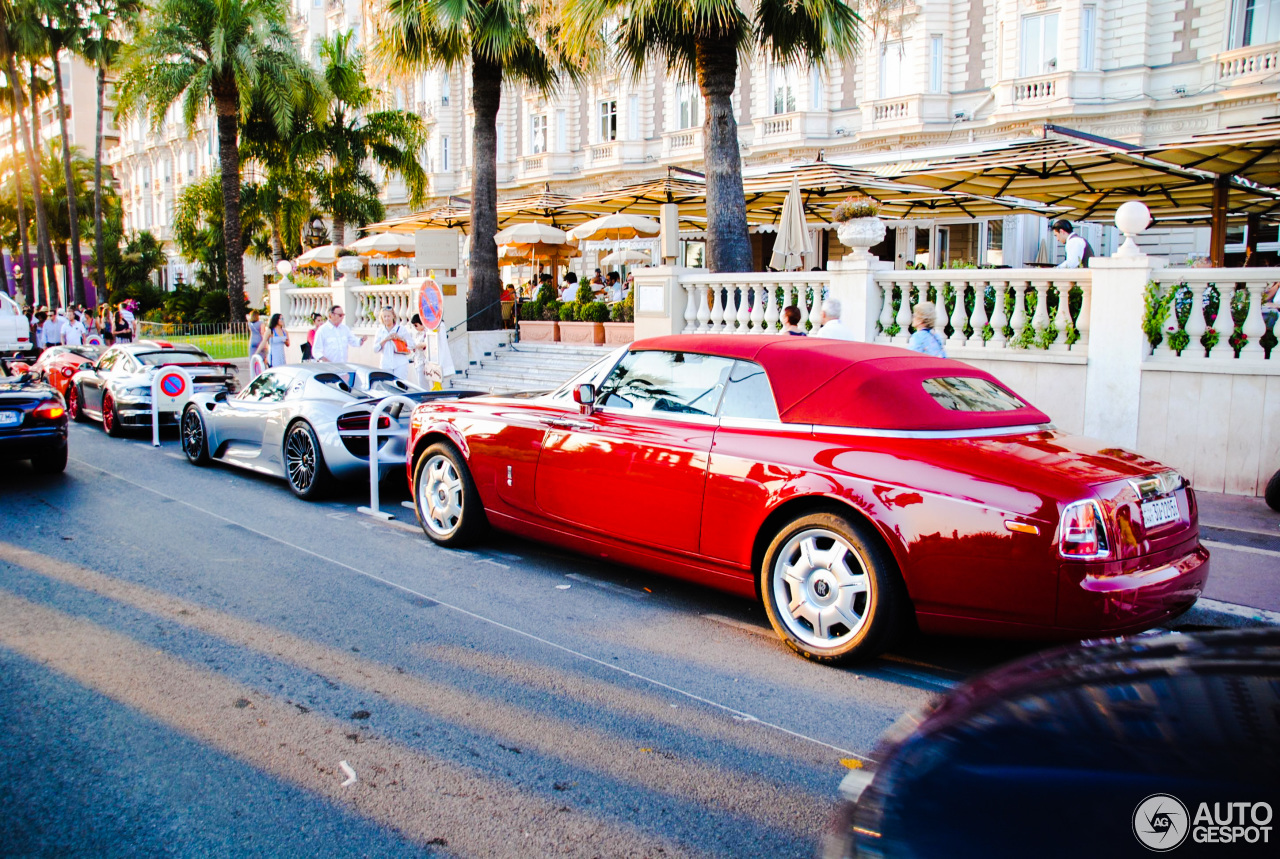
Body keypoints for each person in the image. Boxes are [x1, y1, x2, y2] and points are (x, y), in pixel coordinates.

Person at [372, 306, 414, 380]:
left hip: (400, 363)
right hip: (386, 364)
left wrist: (400, 338)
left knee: (401, 384)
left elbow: (412, 344)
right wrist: (385, 340)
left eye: (388, 316)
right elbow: (375, 349)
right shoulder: (380, 331)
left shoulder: (401, 329)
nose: (386, 318)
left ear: (393, 316)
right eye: (384, 316)